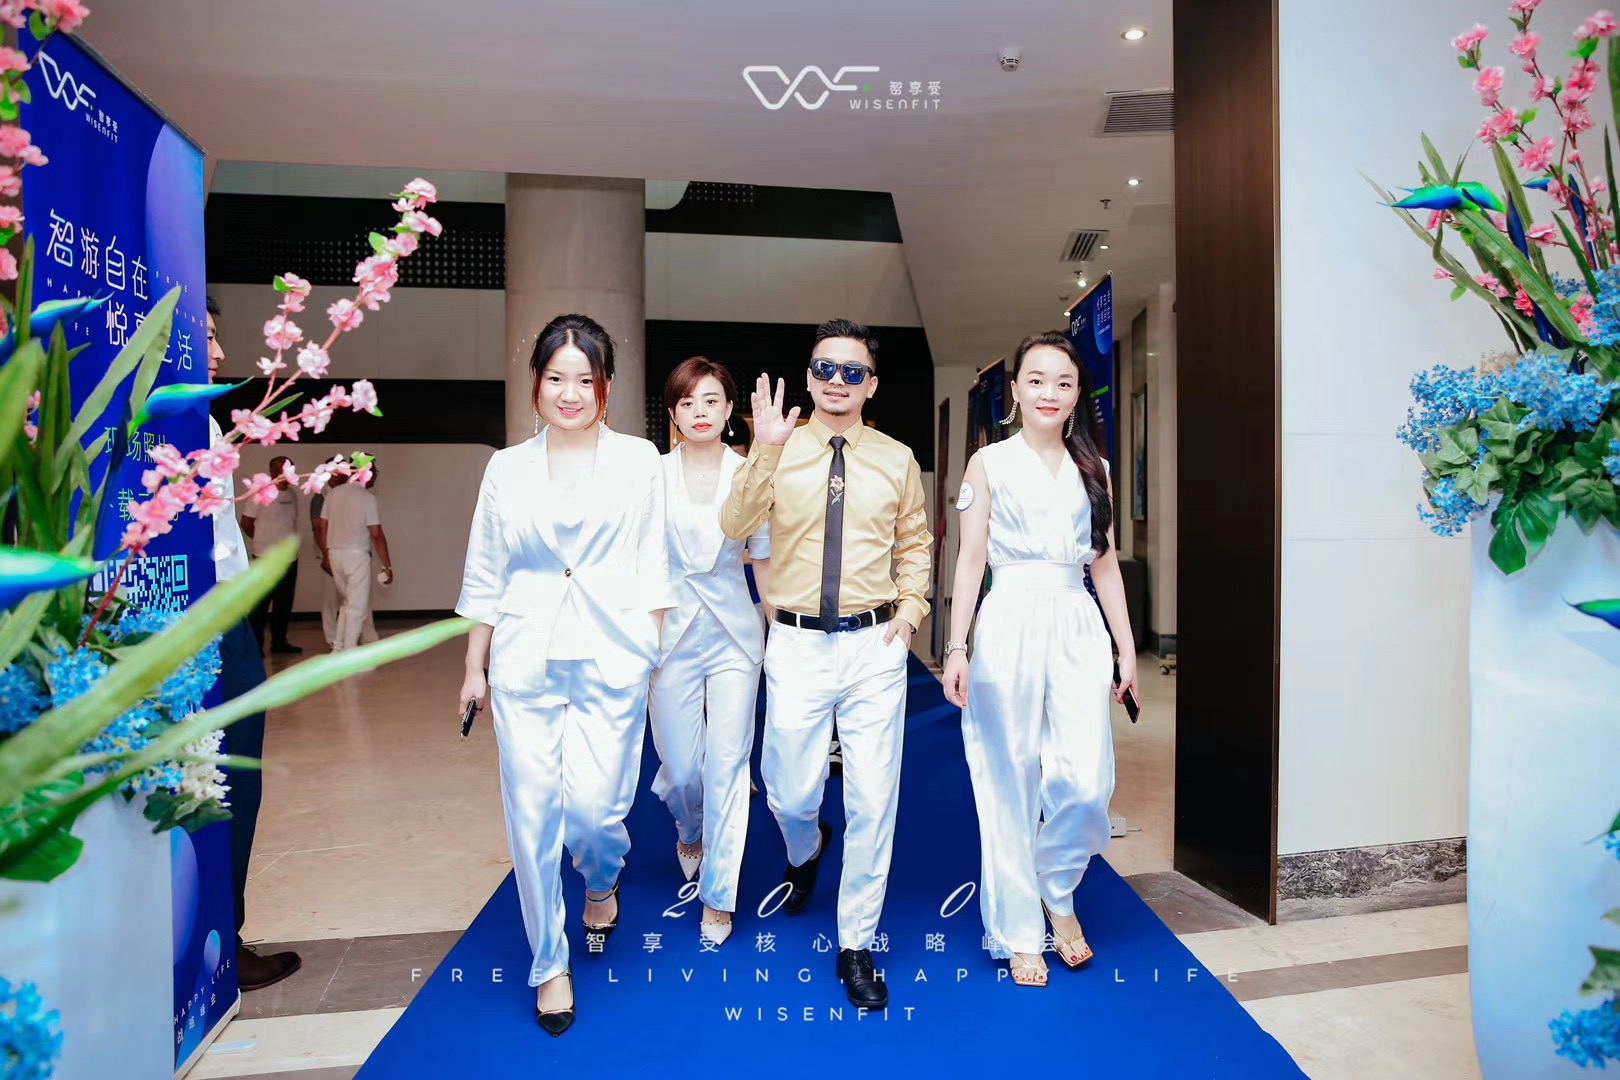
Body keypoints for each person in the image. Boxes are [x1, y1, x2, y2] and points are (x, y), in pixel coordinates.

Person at [455, 313, 674, 1036]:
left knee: (595, 814)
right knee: (532, 817)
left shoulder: (640, 460)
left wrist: (650, 644)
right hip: (526, 659)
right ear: (537, 384)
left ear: (605, 385)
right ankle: (549, 963)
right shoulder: (506, 469)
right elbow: (485, 571)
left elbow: (654, 561)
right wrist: (474, 666)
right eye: (556, 378)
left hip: (613, 656)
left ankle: (602, 880)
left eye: (585, 379)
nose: (570, 393)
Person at [720, 317, 932, 1009]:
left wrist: (909, 615)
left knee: (874, 797)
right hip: (797, 641)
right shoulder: (779, 449)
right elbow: (733, 525)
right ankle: (806, 846)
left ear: (872, 384)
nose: (836, 381)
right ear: (809, 377)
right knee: (788, 790)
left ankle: (856, 943)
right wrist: (763, 450)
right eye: (824, 369)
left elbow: (915, 544)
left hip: (875, 645)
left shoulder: (897, 459)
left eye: (851, 371)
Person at [941, 330, 1138, 988]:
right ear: (1016, 391)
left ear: (1078, 395)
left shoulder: (1096, 468)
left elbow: (1104, 564)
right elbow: (970, 560)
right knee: (1010, 779)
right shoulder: (988, 464)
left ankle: (1056, 886)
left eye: (1064, 382)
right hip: (1009, 621)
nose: (1050, 392)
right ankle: (1020, 931)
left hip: (1077, 622)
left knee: (1087, 784)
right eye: (1037, 380)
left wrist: (1126, 648)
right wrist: (957, 645)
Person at [648, 358, 771, 947]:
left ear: (728, 410)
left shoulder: (749, 473)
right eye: (687, 402)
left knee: (728, 765)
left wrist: (780, 629)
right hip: (669, 633)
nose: (700, 412)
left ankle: (719, 896)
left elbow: (763, 560)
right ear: (673, 414)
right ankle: (688, 828)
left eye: (711, 400)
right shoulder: (652, 475)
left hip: (733, 635)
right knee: (681, 769)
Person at [206, 297, 302, 991]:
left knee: (231, 779)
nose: (217, 353)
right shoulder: (172, 422)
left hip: (226, 615)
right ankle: (220, 942)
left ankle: (220, 932)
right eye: (205, 337)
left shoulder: (202, 422)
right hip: (204, 621)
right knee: (229, 778)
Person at [317, 460, 392, 652]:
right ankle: (350, 652)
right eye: (374, 471)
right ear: (367, 472)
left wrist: (327, 554)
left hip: (334, 554)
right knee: (357, 607)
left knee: (347, 604)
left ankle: (338, 648)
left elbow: (323, 527)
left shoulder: (333, 494)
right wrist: (386, 565)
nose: (376, 476)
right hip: (356, 556)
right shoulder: (367, 497)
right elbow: (376, 533)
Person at [242, 454, 302, 655]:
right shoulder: (260, 493)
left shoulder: (292, 494)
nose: (292, 473)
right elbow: (246, 522)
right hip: (265, 558)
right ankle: (255, 646)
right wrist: (263, 542)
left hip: (289, 559)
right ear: (275, 471)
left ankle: (279, 642)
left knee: (284, 604)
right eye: (288, 469)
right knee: (260, 605)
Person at [312, 478, 376, 649]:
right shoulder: (323, 496)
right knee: (339, 603)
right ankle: (339, 643)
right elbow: (319, 528)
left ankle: (342, 644)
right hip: (336, 555)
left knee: (350, 603)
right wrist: (326, 554)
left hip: (343, 554)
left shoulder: (349, 495)